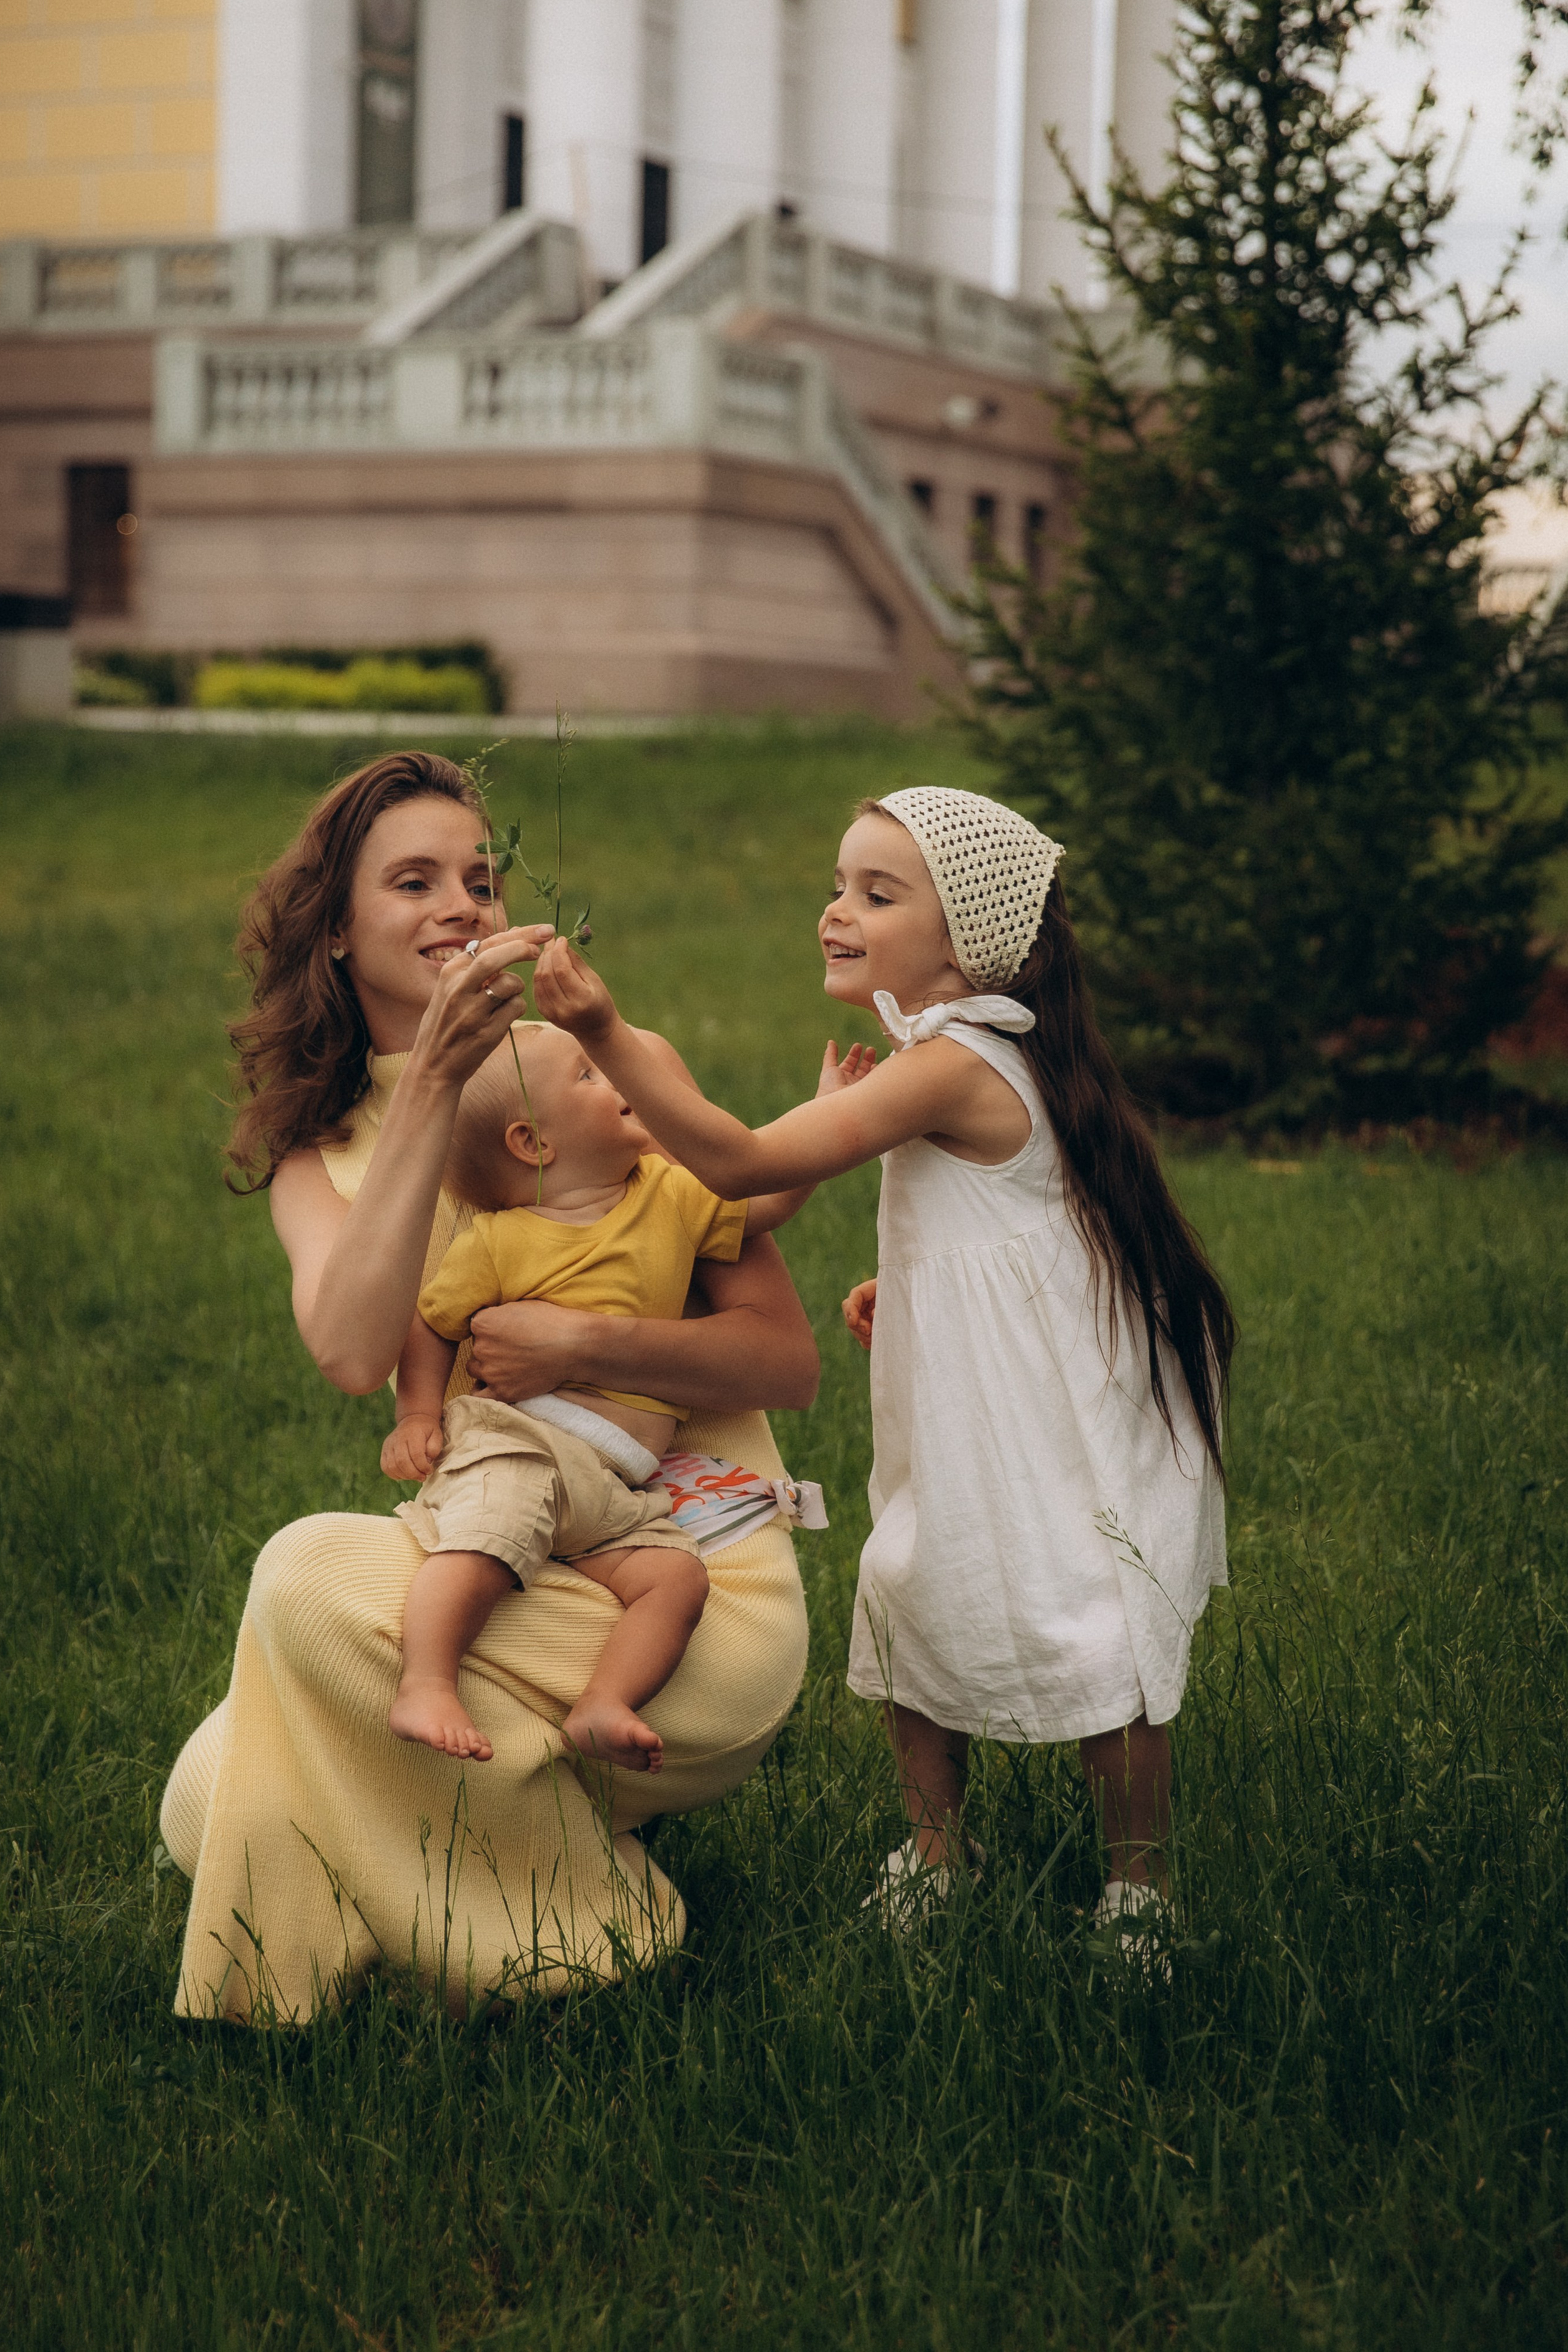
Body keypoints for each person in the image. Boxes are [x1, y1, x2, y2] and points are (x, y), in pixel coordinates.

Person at [158, 750, 817, 2023]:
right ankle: (489, 1903)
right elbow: (356, 1353)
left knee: (300, 1581)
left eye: (477, 873)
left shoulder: (596, 1072)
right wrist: (432, 1092)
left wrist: (580, 1347)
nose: (459, 902)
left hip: (676, 1580)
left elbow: (783, 1361)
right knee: (200, 1796)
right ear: (339, 936)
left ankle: (595, 1940)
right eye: (412, 882)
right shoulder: (318, 1154)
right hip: (490, 1567)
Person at [535, 784, 1234, 1937]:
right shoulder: (970, 1053)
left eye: (876, 892)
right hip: (981, 1390)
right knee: (916, 1575)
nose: (836, 910)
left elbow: (743, 1163)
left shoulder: (955, 1062)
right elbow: (1021, 1220)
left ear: (966, 935)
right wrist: (903, 1290)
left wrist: (602, 1031)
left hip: (1039, 1414)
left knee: (1089, 1613)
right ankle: (933, 1853)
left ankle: (1139, 1891)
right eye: (838, 885)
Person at [382, 1020, 832, 1769]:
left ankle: (604, 1704)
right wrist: (417, 1415)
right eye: (590, 1076)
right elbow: (430, 1324)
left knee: (673, 1579)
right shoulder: (502, 1240)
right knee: (484, 1542)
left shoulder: (670, 1195)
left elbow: (769, 1199)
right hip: (523, 1443)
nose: (622, 1080)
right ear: (534, 1144)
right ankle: (425, 1682)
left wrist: (824, 1112)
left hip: (616, 1481)